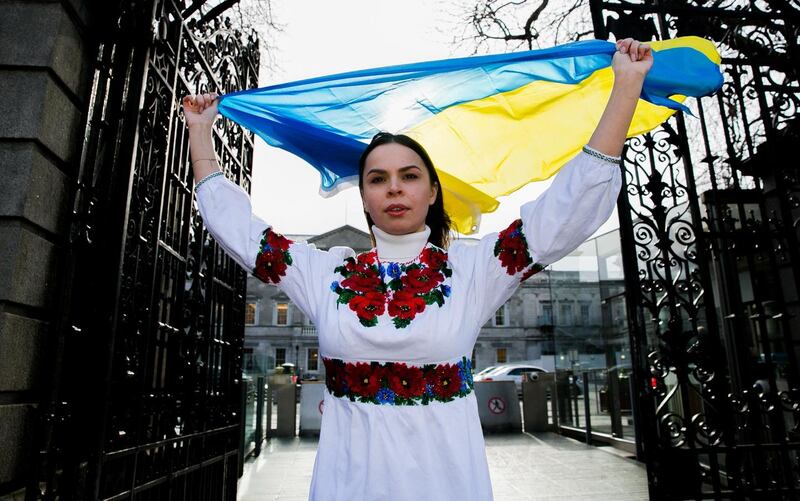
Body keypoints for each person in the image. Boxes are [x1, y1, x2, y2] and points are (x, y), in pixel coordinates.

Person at [183, 38, 652, 500]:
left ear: (432, 192)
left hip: (447, 483)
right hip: (348, 485)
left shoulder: (474, 268)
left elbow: (565, 212)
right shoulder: (325, 274)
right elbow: (241, 231)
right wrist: (201, 132)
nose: (394, 189)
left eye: (409, 176)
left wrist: (626, 89)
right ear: (364, 197)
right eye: (378, 179)